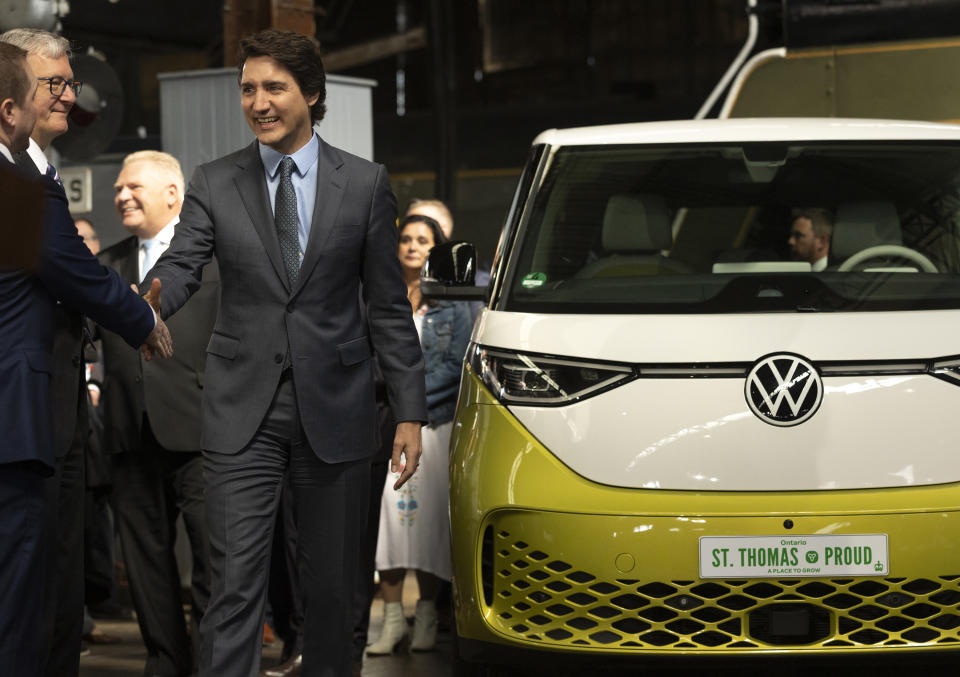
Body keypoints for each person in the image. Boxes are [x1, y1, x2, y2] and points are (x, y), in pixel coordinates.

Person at [141, 28, 427, 677]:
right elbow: (182, 266)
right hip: (242, 414)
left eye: (274, 87)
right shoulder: (216, 182)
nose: (258, 102)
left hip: (340, 411)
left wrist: (408, 410)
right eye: (248, 88)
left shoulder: (365, 183)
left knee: (332, 593)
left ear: (312, 93)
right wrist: (147, 305)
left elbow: (387, 306)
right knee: (235, 587)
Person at [0, 27, 172, 676]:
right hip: (19, 418)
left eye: (72, 82)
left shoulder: (29, 171)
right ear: (9, 99)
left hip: (56, 420)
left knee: (49, 595)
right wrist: (140, 316)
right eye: (54, 84)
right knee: (22, 603)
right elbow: (65, 263)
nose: (69, 95)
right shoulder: (10, 176)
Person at [98, 150, 218, 676]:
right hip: (129, 433)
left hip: (203, 433)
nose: (121, 195)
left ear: (173, 194)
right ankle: (167, 661)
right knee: (146, 564)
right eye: (118, 189)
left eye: (133, 187)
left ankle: (215, 661)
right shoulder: (105, 266)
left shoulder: (214, 260)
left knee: (217, 559)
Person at [369, 213, 472, 655]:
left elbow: (454, 366)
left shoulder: (455, 303)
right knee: (386, 526)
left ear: (438, 247)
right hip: (383, 424)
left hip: (433, 423)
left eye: (423, 240)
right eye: (406, 239)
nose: (413, 246)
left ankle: (427, 615)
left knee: (428, 526)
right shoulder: (377, 295)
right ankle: (392, 622)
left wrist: (406, 402)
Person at [788, 207, 833, 271]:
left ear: (822, 241)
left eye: (798, 236)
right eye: (791, 235)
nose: (790, 241)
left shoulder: (829, 276)